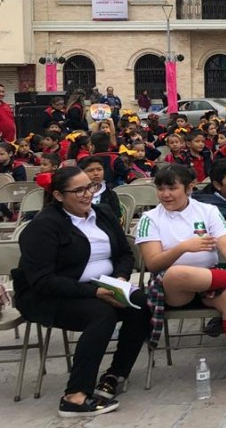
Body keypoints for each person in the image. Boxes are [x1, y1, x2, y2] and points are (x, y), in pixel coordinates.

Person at [13, 167, 151, 417]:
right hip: (50, 295)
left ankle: (115, 375)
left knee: (140, 302)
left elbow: (124, 253)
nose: (88, 194)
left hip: (103, 285)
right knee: (101, 314)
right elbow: (42, 280)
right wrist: (94, 293)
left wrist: (119, 279)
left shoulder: (103, 213)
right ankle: (74, 396)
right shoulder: (43, 227)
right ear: (58, 195)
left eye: (91, 187)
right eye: (79, 190)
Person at [135, 164, 226, 388]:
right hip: (173, 289)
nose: (165, 195)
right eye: (160, 189)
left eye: (172, 188)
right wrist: (184, 247)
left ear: (189, 188)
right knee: (177, 272)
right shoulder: (150, 218)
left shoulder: (206, 211)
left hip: (209, 281)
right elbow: (153, 263)